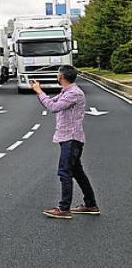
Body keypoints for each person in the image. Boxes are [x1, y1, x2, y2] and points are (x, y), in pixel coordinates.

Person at [34, 65, 98, 218]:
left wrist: (39, 91)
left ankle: (64, 208)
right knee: (78, 173)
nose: (57, 77)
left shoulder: (74, 93)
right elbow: (51, 101)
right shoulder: (66, 91)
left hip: (71, 138)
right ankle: (90, 205)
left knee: (65, 172)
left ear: (61, 77)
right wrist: (41, 92)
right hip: (68, 138)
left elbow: (53, 107)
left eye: (57, 75)